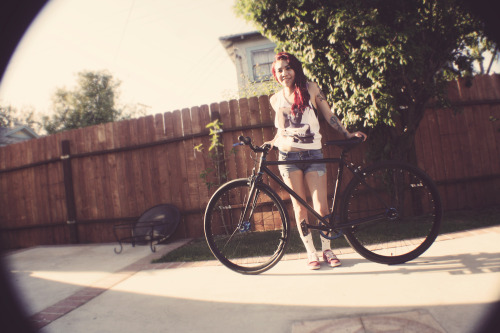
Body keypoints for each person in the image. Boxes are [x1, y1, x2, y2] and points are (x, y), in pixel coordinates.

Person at [265, 52, 367, 270]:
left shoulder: (311, 89)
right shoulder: (275, 99)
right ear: (276, 74)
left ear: (296, 69)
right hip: (288, 158)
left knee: (321, 208)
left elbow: (329, 115)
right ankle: (311, 253)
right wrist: (271, 142)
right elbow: (281, 130)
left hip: (313, 154)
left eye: (288, 68)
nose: (285, 73)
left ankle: (327, 249)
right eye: (280, 70)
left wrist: (346, 133)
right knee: (300, 208)